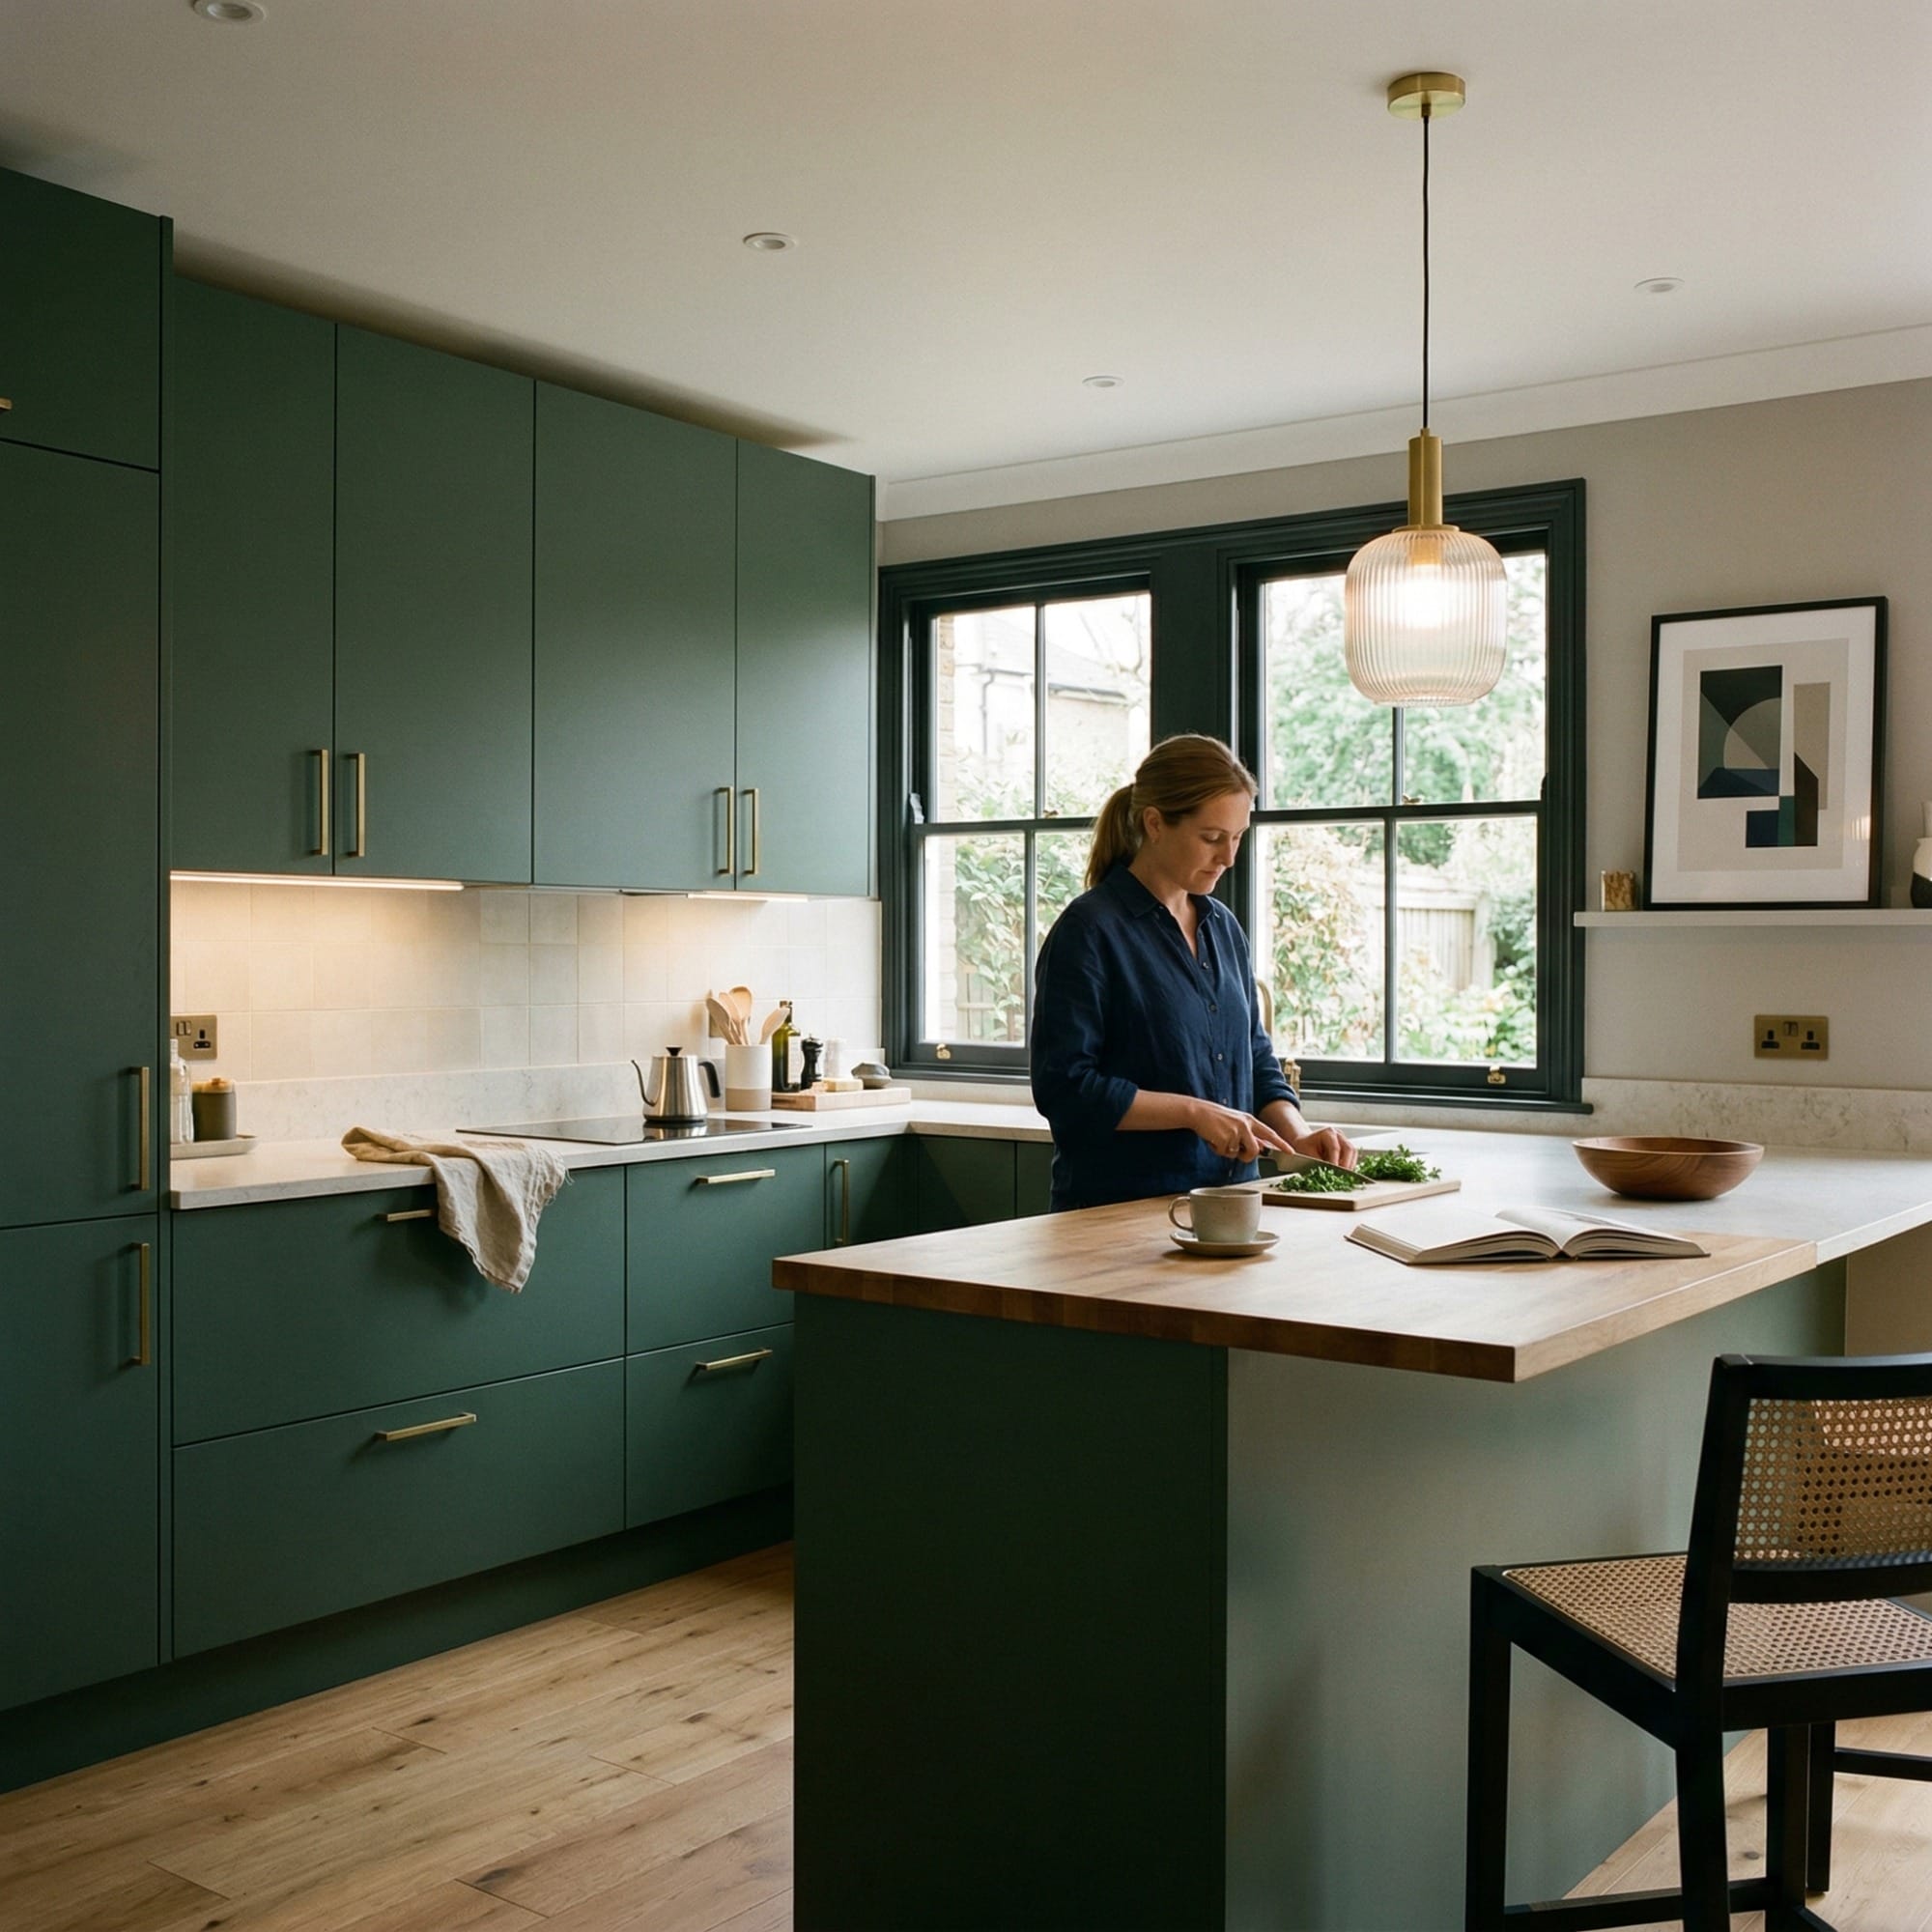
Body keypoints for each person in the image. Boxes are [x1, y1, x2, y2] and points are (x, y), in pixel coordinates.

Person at [1029, 733, 1356, 1211]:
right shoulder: (1089, 931)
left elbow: (1256, 1058)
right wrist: (1193, 1112)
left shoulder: (1223, 928)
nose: (1228, 857)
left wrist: (1297, 1136)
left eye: (1238, 837)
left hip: (1231, 1207)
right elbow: (1066, 1089)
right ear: (1155, 823)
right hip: (1116, 1214)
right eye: (1211, 838)